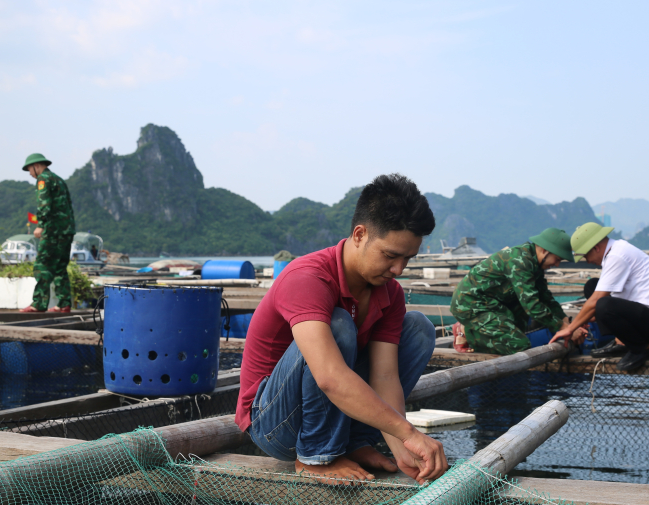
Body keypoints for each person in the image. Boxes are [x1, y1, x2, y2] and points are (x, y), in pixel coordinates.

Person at [238, 174, 448, 485]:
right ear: (360, 234)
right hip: (274, 423)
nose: (398, 270)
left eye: (407, 259)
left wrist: (401, 445)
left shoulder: (389, 292)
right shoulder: (308, 277)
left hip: (338, 416)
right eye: (390, 255)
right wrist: (411, 433)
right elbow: (330, 377)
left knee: (418, 328)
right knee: (339, 324)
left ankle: (356, 443)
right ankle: (317, 455)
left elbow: (386, 376)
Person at [550, 222, 649, 371]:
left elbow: (598, 301)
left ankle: (643, 349)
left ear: (596, 248)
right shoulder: (616, 250)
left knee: (602, 303)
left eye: (586, 255)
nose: (589, 261)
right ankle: (621, 343)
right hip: (646, 318)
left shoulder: (617, 256)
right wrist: (586, 318)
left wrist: (571, 328)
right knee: (592, 286)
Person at [449, 228, 585, 354]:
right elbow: (532, 306)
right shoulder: (520, 261)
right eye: (557, 259)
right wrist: (563, 328)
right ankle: (467, 332)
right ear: (544, 250)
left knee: (519, 328)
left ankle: (483, 336)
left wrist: (568, 323)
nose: (557, 265)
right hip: (470, 303)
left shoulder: (535, 264)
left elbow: (545, 298)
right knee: (519, 345)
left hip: (494, 303)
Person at [20, 153, 75, 313]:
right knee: (60, 267)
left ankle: (38, 304)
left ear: (36, 166)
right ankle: (63, 304)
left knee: (42, 265)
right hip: (66, 230)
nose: (30, 173)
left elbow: (44, 204)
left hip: (53, 231)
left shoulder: (43, 179)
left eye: (29, 169)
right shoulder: (59, 180)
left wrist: (41, 225)